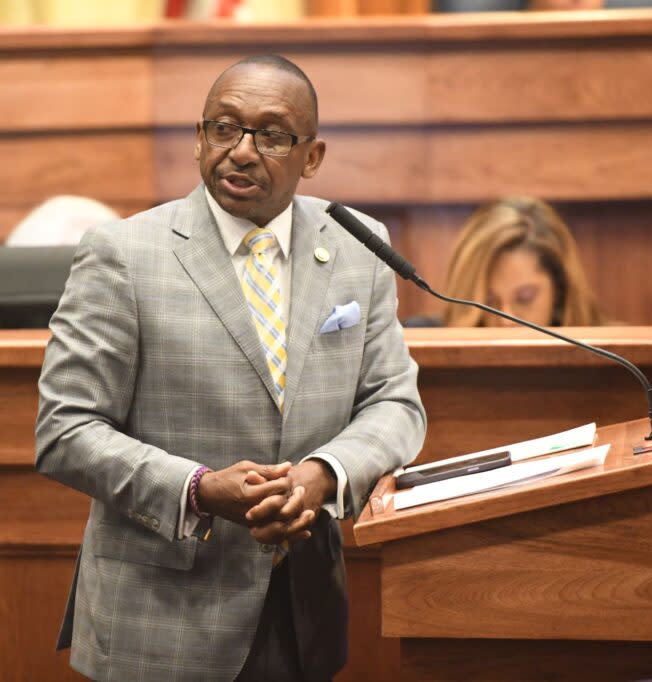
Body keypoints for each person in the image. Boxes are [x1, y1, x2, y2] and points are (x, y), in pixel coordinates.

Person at [35, 54, 425, 682]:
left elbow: (394, 404)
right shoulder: (125, 254)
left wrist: (322, 475)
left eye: (271, 135)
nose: (241, 151)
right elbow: (66, 429)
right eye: (224, 128)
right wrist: (196, 489)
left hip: (302, 611)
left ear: (313, 156)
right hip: (162, 620)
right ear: (199, 138)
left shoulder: (357, 244)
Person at [440, 196, 607, 328]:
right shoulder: (418, 352)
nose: (506, 320)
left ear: (559, 293)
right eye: (488, 302)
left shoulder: (618, 359)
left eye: (525, 298)